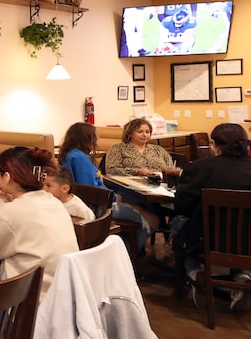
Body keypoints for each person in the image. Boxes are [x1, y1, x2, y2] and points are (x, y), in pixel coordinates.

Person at [0, 147, 79, 300]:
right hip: (64, 298)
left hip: (29, 308)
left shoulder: (11, 212)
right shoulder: (53, 201)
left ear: (6, 177)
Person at [172, 123, 251, 312]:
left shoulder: (200, 168)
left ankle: (195, 273)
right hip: (248, 240)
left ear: (214, 144)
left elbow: (182, 206)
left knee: (178, 223)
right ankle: (245, 275)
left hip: (208, 240)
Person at [58, 122, 153, 244]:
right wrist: (114, 197)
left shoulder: (69, 155)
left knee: (133, 202)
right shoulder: (80, 158)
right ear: (88, 138)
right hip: (98, 208)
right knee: (151, 218)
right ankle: (129, 253)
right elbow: (91, 191)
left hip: (85, 203)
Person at [105, 118, 173, 176]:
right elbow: (111, 170)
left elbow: (171, 169)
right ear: (130, 133)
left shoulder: (158, 150)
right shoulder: (118, 149)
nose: (144, 135)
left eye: (147, 132)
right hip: (130, 186)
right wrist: (136, 172)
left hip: (160, 185)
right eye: (140, 132)